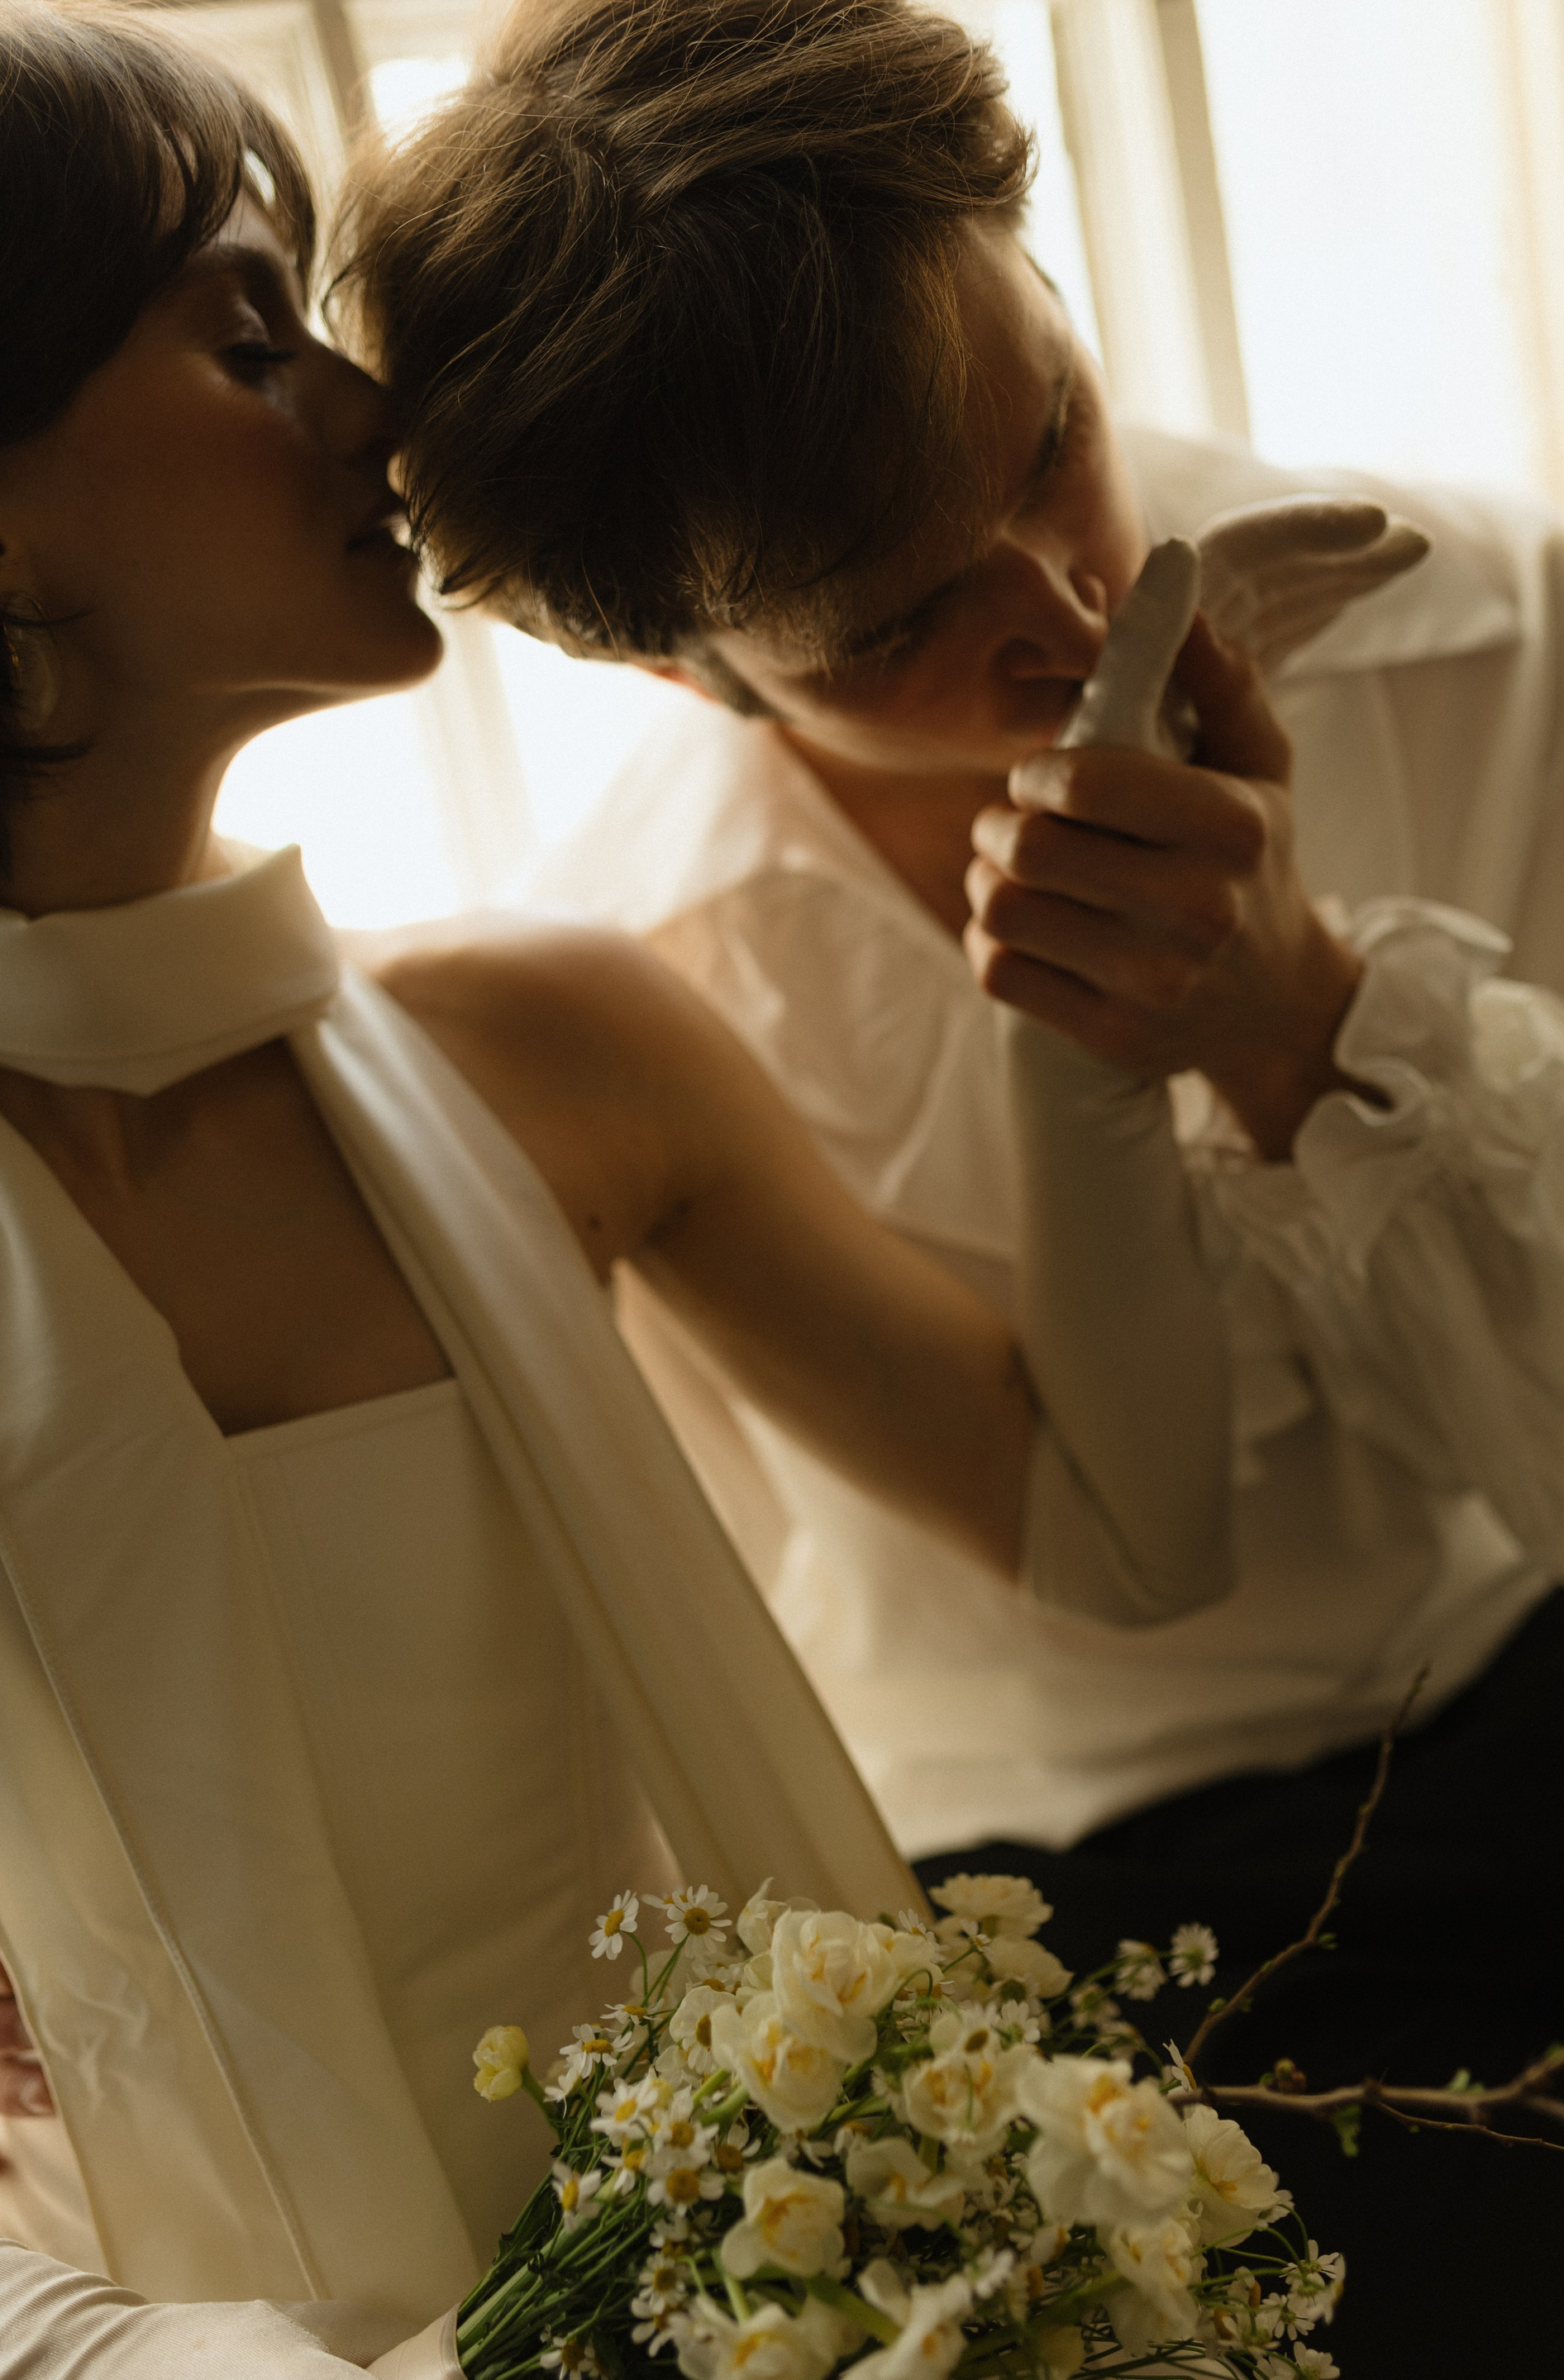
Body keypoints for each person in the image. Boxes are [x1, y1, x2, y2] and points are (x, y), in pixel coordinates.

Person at [0, 5, 1258, 2371]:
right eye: (249, 342)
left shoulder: (551, 1041)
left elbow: (1133, 1539)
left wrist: (1094, 989)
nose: (376, 411)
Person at [342, 0, 1564, 2366]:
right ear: (693, 671)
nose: (1070, 609)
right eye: (899, 624)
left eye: (1055, 438)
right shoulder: (637, 989)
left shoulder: (1506, 646)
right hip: (1066, 1895)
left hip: (1544, 1665)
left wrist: (1307, 1022)